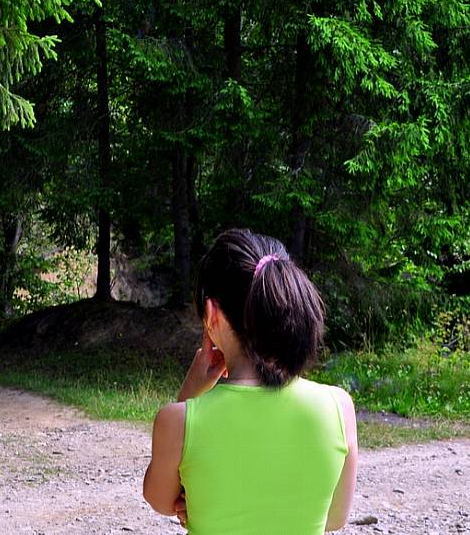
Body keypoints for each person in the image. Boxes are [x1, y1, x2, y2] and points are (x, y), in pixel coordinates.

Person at [143, 228, 358, 534]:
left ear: (211, 313)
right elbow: (334, 520)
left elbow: (161, 499)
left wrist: (189, 394)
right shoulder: (339, 407)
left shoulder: (178, 421)